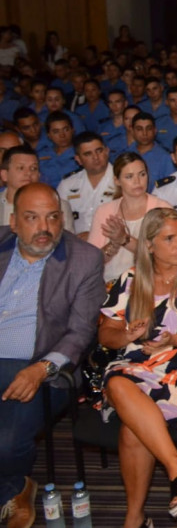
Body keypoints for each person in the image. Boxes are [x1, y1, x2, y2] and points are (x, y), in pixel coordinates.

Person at [97, 209, 177, 528]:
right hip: (135, 363)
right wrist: (127, 334)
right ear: (150, 245)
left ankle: (135, 518)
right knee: (117, 380)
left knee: (132, 428)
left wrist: (173, 340)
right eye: (169, 238)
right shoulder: (129, 279)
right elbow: (105, 334)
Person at [0, 183, 104, 528]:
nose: (44, 228)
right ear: (14, 222)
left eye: (52, 217)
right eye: (32, 218)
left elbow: (81, 332)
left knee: (8, 442)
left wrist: (41, 369)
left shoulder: (84, 259)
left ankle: (15, 489)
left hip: (41, 366)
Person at [88, 153, 173, 284]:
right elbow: (92, 261)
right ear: (117, 180)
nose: (137, 181)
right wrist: (114, 244)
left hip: (151, 283)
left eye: (142, 174)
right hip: (110, 284)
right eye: (129, 177)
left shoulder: (163, 209)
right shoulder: (104, 211)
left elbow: (166, 256)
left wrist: (125, 239)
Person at [1, 146, 75, 235]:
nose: (28, 173)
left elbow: (68, 245)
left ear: (39, 175)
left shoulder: (58, 206)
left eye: (33, 168)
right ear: (4, 175)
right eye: (21, 168)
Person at [56, 132, 114, 238]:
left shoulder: (122, 179)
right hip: (77, 245)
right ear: (78, 159)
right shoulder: (68, 185)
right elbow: (58, 221)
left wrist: (94, 235)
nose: (95, 157)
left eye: (99, 151)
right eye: (88, 154)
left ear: (107, 151)